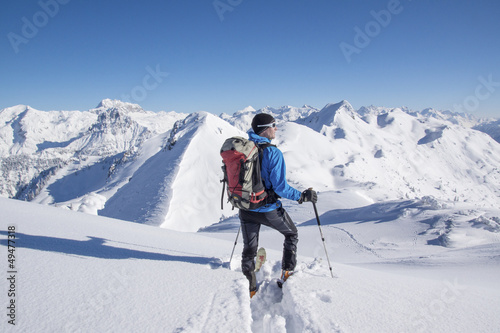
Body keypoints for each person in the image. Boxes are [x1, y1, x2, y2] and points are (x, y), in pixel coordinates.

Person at [240, 113, 317, 297]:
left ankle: (249, 289)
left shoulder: (244, 148)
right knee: (291, 234)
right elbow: (280, 188)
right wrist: (302, 196)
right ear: (265, 129)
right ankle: (286, 274)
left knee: (249, 249)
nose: (276, 128)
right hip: (268, 209)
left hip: (245, 209)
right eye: (273, 125)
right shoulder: (273, 152)